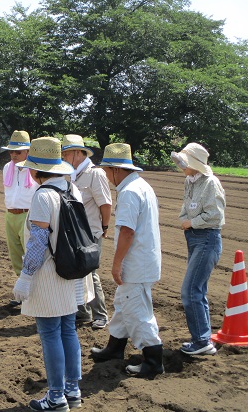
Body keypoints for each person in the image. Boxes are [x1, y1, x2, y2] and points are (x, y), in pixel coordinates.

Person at [12, 137, 87, 411]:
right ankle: (72, 390)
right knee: (68, 329)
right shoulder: (72, 189)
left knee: (49, 333)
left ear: (35, 170)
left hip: (48, 273)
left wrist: (25, 276)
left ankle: (56, 397)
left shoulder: (43, 195)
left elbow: (38, 242)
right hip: (71, 271)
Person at [91, 143, 164, 379]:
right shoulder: (141, 186)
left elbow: (127, 232)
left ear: (115, 169)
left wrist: (116, 263)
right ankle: (114, 348)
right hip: (143, 260)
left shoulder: (130, 192)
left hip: (135, 264)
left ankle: (153, 360)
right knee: (123, 306)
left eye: (106, 170)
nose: (105, 175)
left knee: (137, 312)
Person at [171, 143, 225, 356]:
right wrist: (185, 219)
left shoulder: (211, 183)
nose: (181, 165)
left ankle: (202, 341)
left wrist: (191, 222)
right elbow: (186, 207)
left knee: (190, 290)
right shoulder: (189, 181)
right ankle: (202, 338)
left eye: (185, 162)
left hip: (206, 239)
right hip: (193, 239)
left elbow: (215, 215)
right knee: (197, 290)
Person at [61, 134, 112, 329]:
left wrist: (104, 227)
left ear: (76, 153)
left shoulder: (94, 174)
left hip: (90, 233)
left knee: (90, 273)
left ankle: (100, 314)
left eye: (66, 153)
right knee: (78, 272)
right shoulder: (71, 174)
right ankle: (82, 312)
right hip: (75, 232)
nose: (64, 157)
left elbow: (105, 204)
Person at [2, 130, 39, 306]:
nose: (14, 155)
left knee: (30, 254)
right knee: (15, 255)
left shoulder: (35, 170)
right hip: (10, 214)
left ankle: (34, 294)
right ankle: (23, 291)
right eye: (12, 151)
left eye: (18, 152)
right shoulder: (7, 168)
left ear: (28, 152)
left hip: (28, 215)